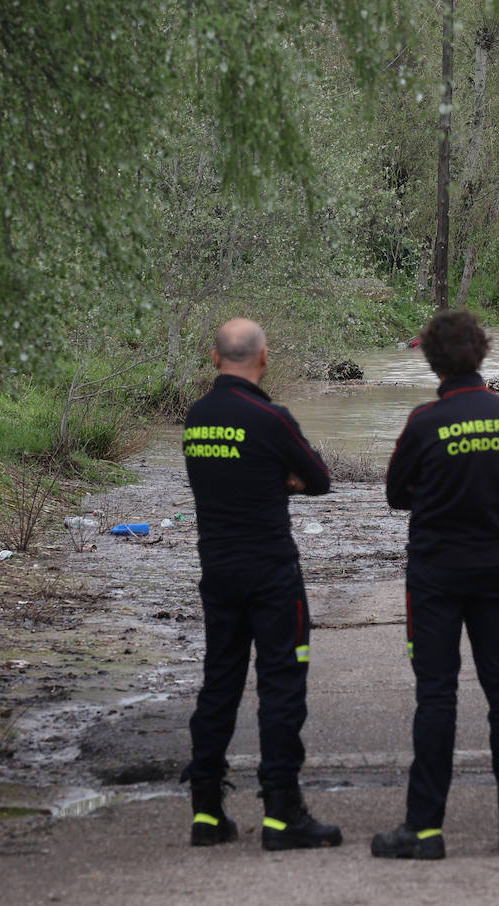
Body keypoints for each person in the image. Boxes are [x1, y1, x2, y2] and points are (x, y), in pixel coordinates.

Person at [372, 309, 499, 860]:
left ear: (431, 359)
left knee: (436, 697)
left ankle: (425, 830)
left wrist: (438, 493)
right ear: (482, 353)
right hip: (494, 569)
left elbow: (396, 494)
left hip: (436, 576)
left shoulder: (423, 421)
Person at [179, 318, 342, 851]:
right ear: (264, 359)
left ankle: (206, 810)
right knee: (280, 686)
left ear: (213, 358)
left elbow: (218, 479)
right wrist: (281, 477)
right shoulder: (271, 417)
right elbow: (317, 478)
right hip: (271, 573)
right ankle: (282, 812)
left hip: (217, 571)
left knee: (219, 683)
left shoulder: (197, 417)